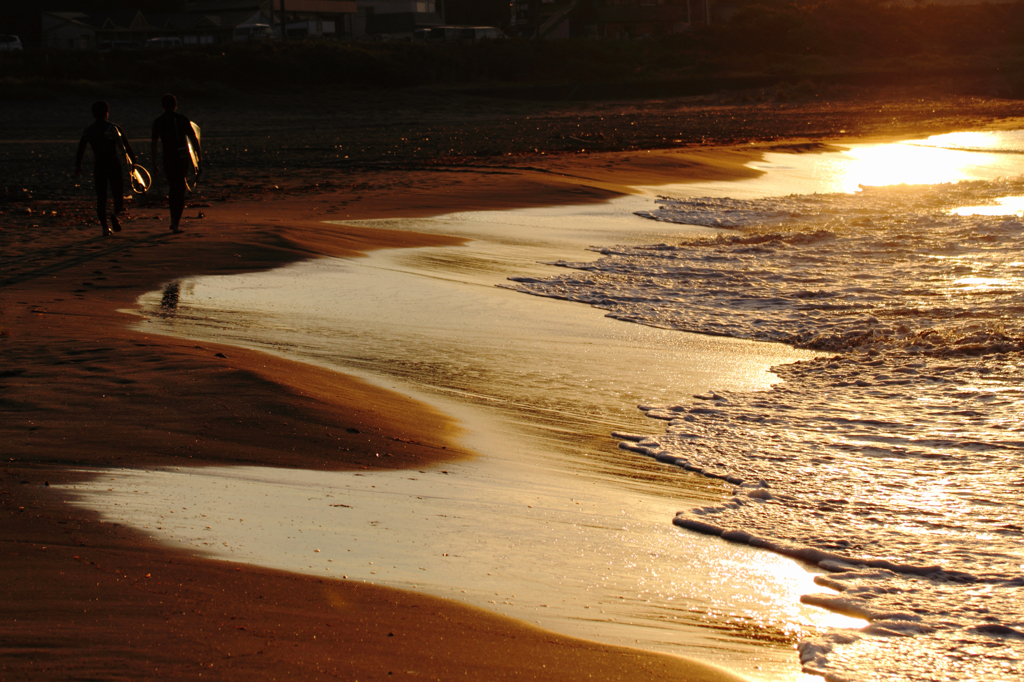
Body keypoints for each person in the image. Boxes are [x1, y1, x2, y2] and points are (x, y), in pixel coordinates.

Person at [75, 100, 136, 237]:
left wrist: (78, 166)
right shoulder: (113, 127)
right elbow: (127, 147)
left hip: (99, 165)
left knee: (101, 198)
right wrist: (133, 163)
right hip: (113, 164)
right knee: (118, 195)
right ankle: (114, 214)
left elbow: (81, 150)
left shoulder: (88, 131)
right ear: (106, 113)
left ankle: (104, 228)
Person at [151, 94, 201, 234]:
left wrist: (154, 162)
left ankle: (174, 220)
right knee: (180, 190)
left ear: (162, 106)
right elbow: (194, 139)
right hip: (182, 157)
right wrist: (198, 159)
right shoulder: (182, 119)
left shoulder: (158, 121)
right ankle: (175, 222)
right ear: (175, 105)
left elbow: (154, 144)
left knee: (173, 188)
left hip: (168, 158)